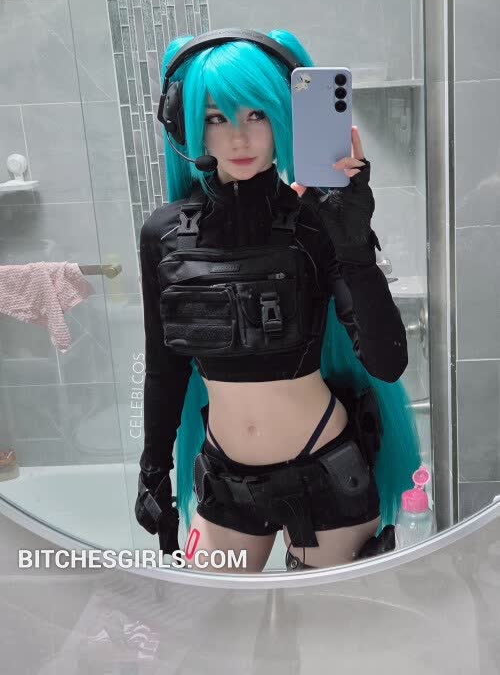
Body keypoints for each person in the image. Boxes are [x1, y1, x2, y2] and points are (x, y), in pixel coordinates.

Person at [135, 28, 421, 573]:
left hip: (325, 467)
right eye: (216, 118)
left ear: (284, 117)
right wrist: (154, 471)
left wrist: (355, 248)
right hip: (223, 478)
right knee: (215, 620)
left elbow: (388, 363)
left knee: (327, 625)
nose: (238, 137)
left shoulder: (317, 223)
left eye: (257, 114)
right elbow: (164, 368)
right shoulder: (164, 235)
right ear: (185, 122)